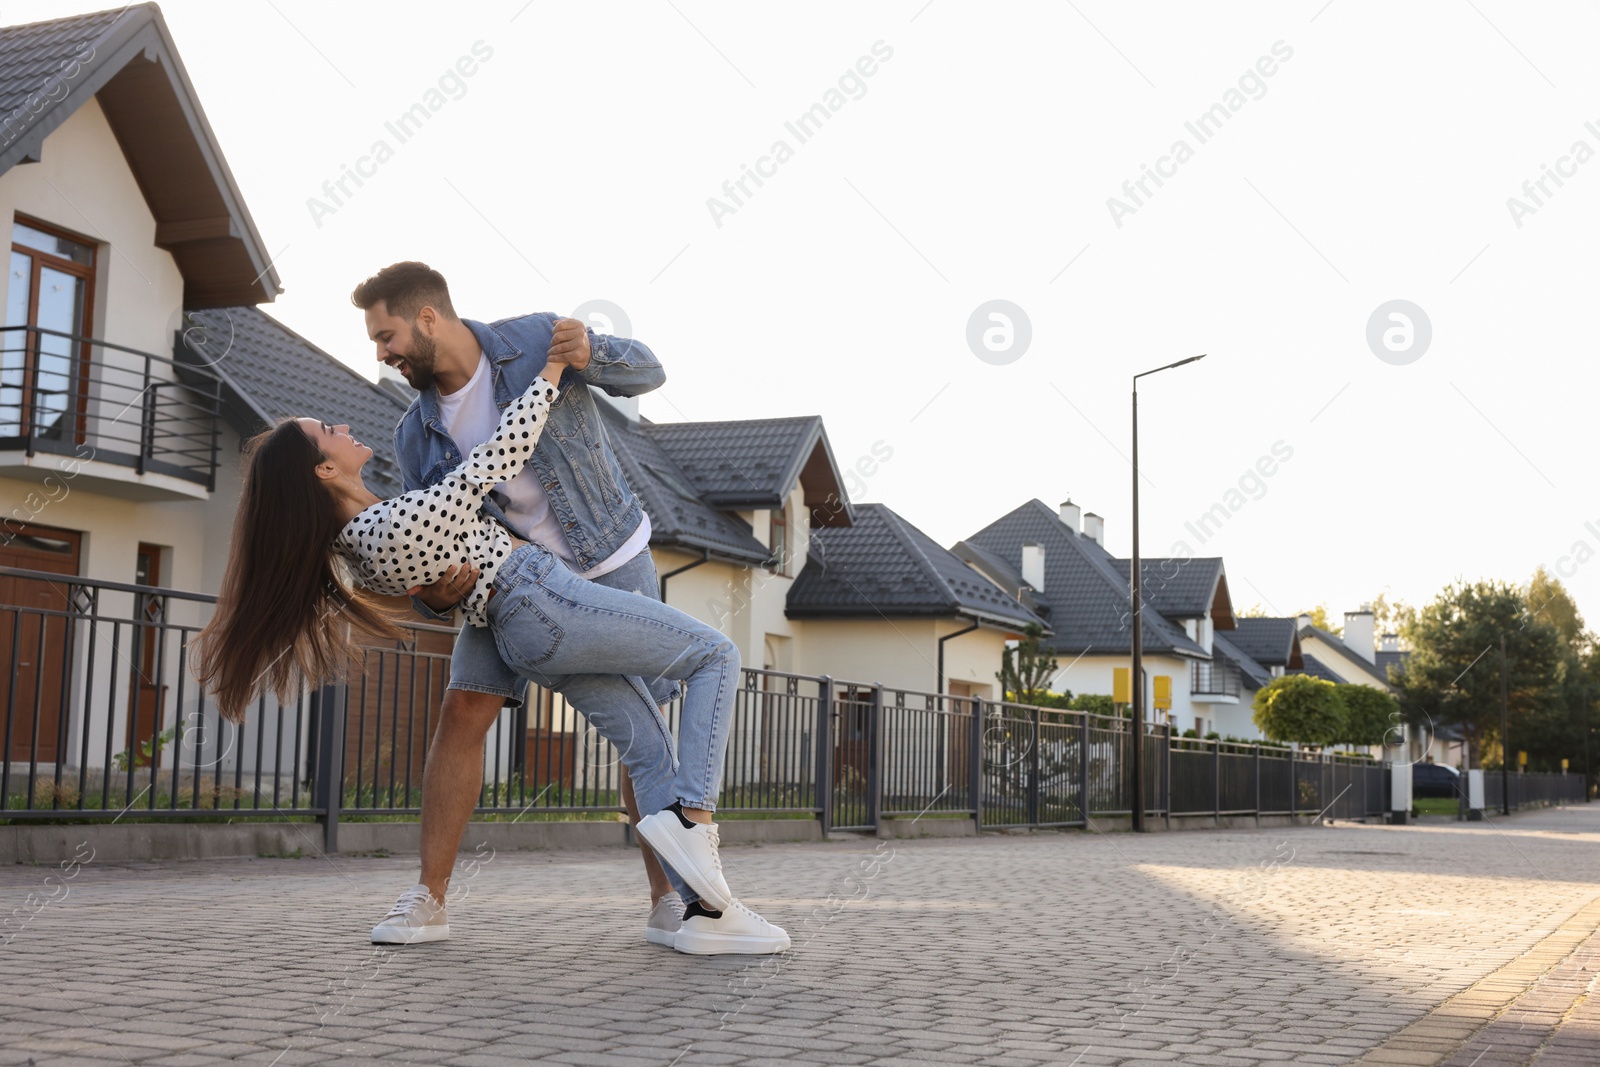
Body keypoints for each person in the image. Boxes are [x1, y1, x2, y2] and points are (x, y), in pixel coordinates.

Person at [193, 360, 790, 956]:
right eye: (328, 428)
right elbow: (495, 460)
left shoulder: (361, 541)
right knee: (716, 653)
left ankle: (704, 911)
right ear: (324, 468)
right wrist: (551, 374)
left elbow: (432, 577)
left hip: (521, 624)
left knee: (648, 743)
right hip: (543, 599)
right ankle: (697, 821)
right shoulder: (392, 523)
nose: (343, 425)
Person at [357, 262, 786, 953]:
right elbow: (433, 546)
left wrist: (595, 351)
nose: (381, 352)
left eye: (386, 334)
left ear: (428, 317)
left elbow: (647, 371)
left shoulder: (533, 341)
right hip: (509, 587)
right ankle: (428, 900)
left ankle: (667, 904)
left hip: (611, 560)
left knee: (641, 726)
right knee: (462, 708)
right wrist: (441, 594)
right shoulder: (416, 436)